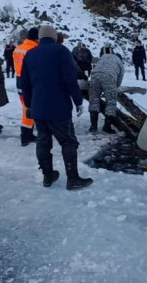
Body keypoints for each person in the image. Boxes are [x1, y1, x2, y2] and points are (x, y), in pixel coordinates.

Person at [21, 25, 93, 190]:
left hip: (39, 108)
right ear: (54, 37)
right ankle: (73, 178)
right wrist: (78, 101)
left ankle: (48, 176)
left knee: (43, 142)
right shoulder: (61, 51)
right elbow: (70, 79)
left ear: (39, 38)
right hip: (59, 107)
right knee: (68, 142)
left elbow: (25, 83)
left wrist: (29, 105)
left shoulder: (30, 54)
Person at [88, 47, 124, 134]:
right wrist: (111, 89)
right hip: (109, 77)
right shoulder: (120, 63)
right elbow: (118, 80)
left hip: (95, 75)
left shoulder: (104, 56)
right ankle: (107, 127)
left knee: (94, 100)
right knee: (111, 102)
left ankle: (93, 127)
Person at [13, 27, 39, 146]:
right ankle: (26, 135)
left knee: (25, 106)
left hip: (19, 80)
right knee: (29, 108)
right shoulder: (34, 49)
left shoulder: (18, 49)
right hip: (29, 81)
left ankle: (27, 133)